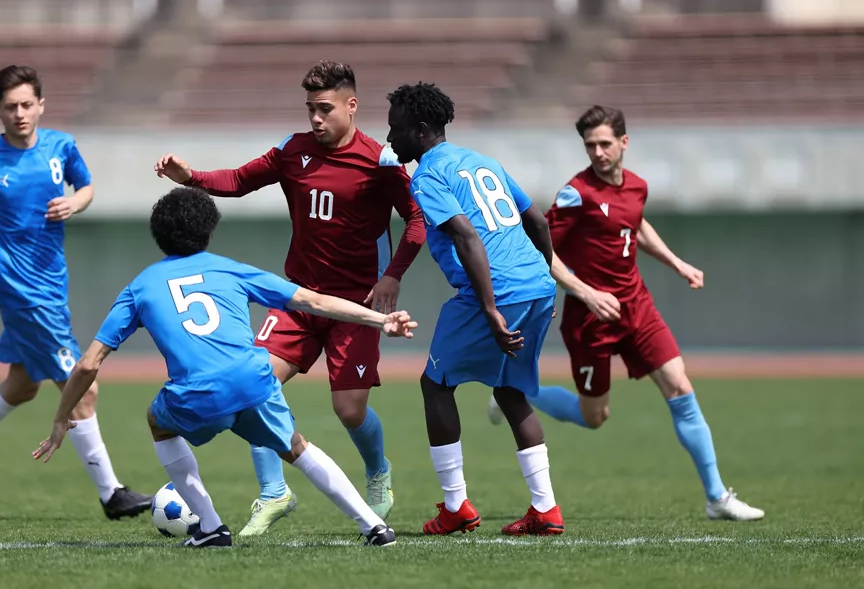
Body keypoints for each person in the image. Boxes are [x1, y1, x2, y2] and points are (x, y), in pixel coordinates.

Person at [33, 187, 411, 548]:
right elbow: (313, 300)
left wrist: (60, 418)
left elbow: (87, 363)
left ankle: (211, 526)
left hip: (198, 395)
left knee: (157, 420)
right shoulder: (231, 270)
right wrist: (380, 321)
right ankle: (374, 524)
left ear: (158, 235)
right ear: (208, 232)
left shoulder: (141, 286)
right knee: (296, 446)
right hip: (254, 382)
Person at [154, 60, 424, 535]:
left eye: (324, 109)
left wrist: (392, 276)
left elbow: (418, 221)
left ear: (351, 105)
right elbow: (238, 181)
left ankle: (378, 472)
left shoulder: (380, 161)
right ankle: (274, 492)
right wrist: (191, 176)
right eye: (309, 109)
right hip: (297, 299)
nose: (315, 119)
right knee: (254, 387)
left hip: (354, 307)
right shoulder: (292, 151)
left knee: (350, 410)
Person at [490, 105, 764, 521]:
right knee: (594, 416)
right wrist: (586, 293)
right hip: (589, 320)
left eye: (604, 143)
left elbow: (634, 225)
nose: (597, 152)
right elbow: (540, 251)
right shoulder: (575, 194)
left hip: (636, 307)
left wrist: (676, 262)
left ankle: (717, 497)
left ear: (623, 142)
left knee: (679, 386)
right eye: (589, 145)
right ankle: (517, 394)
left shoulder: (636, 186)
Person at [385, 83, 621, 536]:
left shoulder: (427, 176)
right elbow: (535, 220)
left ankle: (455, 506)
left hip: (493, 291)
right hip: (533, 284)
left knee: (435, 385)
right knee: (511, 392)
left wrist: (492, 309)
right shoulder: (482, 160)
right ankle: (546, 509)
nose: (391, 137)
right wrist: (542, 284)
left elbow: (467, 236)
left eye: (396, 128)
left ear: (420, 129)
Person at [0, 65, 150, 519]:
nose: (20, 113)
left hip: (53, 282)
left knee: (22, 385)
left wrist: (75, 202)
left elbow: (85, 187)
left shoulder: (61, 146)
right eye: (10, 107)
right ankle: (111, 494)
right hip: (23, 290)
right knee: (84, 387)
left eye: (27, 104)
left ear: (41, 105)